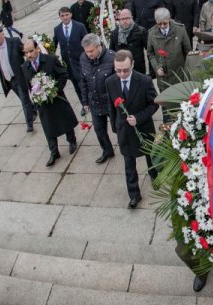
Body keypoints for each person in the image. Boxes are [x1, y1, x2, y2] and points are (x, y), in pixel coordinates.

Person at [106, 50, 159, 209]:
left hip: (143, 128)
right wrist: (115, 127)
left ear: (133, 64)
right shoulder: (110, 82)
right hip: (124, 131)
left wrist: (138, 118)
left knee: (149, 155)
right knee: (129, 164)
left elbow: (154, 104)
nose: (121, 74)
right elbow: (111, 107)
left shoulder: (144, 81)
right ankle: (134, 195)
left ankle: (154, 175)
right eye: (118, 70)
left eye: (125, 70)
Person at [22, 39, 78, 167]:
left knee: (64, 120)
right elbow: (28, 86)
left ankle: (72, 140)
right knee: (48, 127)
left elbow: (63, 75)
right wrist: (35, 98)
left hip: (56, 98)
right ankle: (54, 152)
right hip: (42, 103)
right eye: (26, 53)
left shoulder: (51, 59)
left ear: (37, 48)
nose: (29, 55)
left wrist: (55, 89)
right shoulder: (25, 67)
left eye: (31, 51)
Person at [0, 26, 36, 132]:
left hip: (19, 77)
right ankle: (33, 109)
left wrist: (34, 59)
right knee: (24, 99)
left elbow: (26, 52)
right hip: (9, 80)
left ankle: (29, 123)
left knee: (24, 100)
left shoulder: (14, 42)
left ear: (2, 34)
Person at [147, 7, 192, 121]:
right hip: (163, 78)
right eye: (159, 24)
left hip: (179, 75)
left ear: (169, 19)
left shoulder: (180, 30)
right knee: (166, 110)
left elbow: (188, 51)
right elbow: (150, 53)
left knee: (181, 108)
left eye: (165, 23)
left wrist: (187, 72)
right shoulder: (152, 33)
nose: (162, 26)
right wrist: (156, 67)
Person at [80, 34, 116, 164]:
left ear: (98, 46)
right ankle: (107, 150)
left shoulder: (112, 58)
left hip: (111, 103)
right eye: (86, 51)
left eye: (91, 51)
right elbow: (83, 81)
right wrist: (84, 102)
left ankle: (127, 148)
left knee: (119, 128)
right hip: (94, 102)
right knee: (99, 130)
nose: (88, 54)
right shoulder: (83, 58)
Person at [110, 9, 148, 75]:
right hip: (122, 69)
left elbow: (149, 49)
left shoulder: (140, 31)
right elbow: (112, 52)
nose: (125, 21)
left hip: (138, 68)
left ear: (131, 18)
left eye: (127, 18)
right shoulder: (114, 33)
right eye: (122, 19)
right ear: (119, 20)